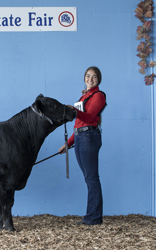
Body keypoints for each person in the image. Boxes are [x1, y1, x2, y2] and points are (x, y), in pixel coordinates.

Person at [59, 66, 106, 225]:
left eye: (94, 77)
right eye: (88, 76)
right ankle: (93, 217)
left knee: (92, 178)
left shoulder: (98, 96)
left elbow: (89, 117)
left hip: (89, 137)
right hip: (81, 137)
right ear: (84, 77)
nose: (90, 79)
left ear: (98, 79)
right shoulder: (84, 97)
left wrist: (73, 111)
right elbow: (79, 123)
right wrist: (68, 143)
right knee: (89, 178)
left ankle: (93, 218)